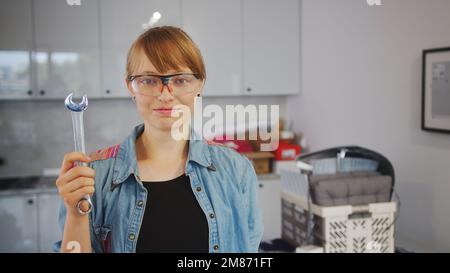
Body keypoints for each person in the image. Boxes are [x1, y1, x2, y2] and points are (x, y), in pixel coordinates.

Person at [54, 26, 263, 253]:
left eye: (181, 80)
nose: (165, 94)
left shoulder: (236, 169)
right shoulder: (94, 177)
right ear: (130, 86)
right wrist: (76, 214)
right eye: (149, 80)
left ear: (199, 84)